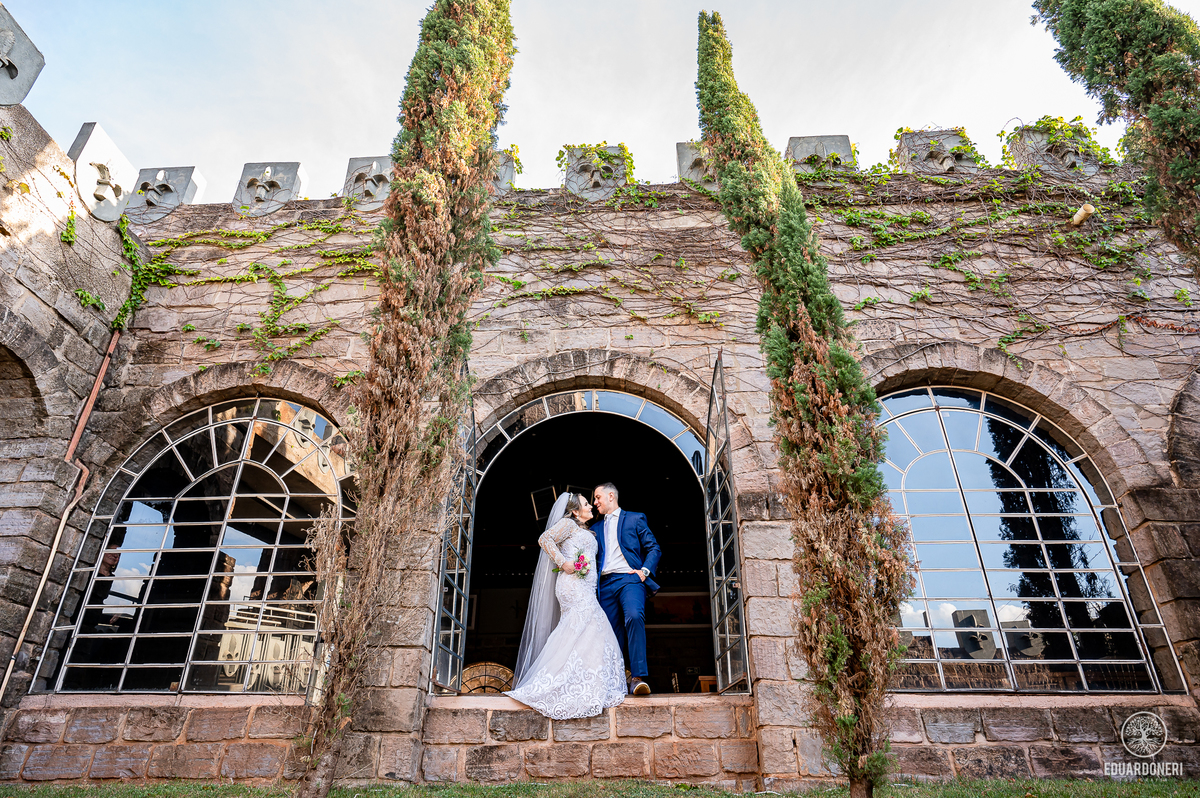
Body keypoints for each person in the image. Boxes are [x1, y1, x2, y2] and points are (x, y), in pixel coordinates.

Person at [506, 492, 627, 718]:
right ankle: (558, 681)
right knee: (587, 626)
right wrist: (563, 563)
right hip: (572, 586)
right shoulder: (568, 524)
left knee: (585, 632)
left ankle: (584, 681)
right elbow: (545, 539)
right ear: (574, 511)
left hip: (587, 588)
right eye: (585, 503)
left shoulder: (586, 530)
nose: (590, 505)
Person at [592, 482, 661, 695]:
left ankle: (638, 677)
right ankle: (616, 678)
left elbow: (653, 548)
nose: (595, 503)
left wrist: (644, 571)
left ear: (610, 495)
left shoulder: (635, 518)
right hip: (604, 584)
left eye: (597, 497)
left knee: (634, 615)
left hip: (630, 579)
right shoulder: (594, 529)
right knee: (609, 632)